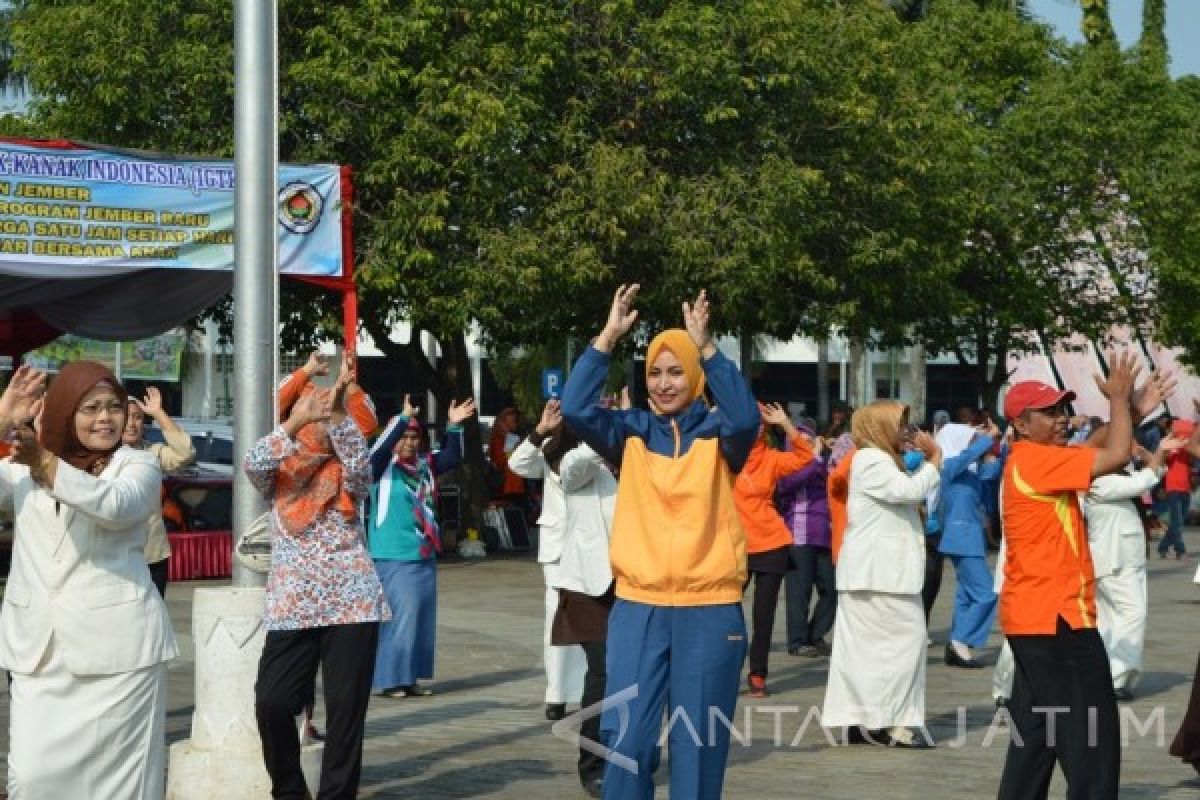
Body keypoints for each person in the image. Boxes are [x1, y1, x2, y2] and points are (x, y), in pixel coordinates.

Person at [561, 284, 759, 799]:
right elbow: (578, 409)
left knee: (699, 748)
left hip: (711, 611)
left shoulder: (721, 435)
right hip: (638, 608)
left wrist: (709, 348)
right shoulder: (629, 432)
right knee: (626, 742)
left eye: (677, 371)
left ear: (693, 376)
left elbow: (746, 417)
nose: (665, 383)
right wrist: (606, 337)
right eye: (655, 371)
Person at [0, 362, 178, 798]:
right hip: (39, 655)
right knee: (31, 780)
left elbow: (115, 506)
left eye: (113, 407)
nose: (104, 418)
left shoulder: (136, 466)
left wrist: (44, 463)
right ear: (62, 411)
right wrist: (2, 420)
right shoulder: (20, 468)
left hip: (121, 658)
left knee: (118, 788)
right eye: (90, 408)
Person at [996, 353, 1162, 800]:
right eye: (1047, 413)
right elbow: (1116, 453)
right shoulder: (1034, 460)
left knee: (1034, 737)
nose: (1060, 419)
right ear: (1020, 424)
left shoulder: (1035, 459)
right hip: (1057, 620)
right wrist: (1121, 400)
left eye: (1061, 410)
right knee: (1091, 739)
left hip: (1036, 619)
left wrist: (1134, 410)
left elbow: (1094, 448)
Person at [246, 357, 388, 800]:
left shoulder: (348, 470)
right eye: (310, 411)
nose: (316, 421)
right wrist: (294, 423)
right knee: (272, 703)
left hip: (352, 601)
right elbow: (253, 462)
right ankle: (289, 792)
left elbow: (362, 468)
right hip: (292, 605)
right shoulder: (280, 473)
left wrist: (340, 406)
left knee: (346, 714)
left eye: (320, 414)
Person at [822, 400, 941, 749]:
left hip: (875, 574)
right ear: (880, 427)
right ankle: (892, 724)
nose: (908, 432)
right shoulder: (872, 459)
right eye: (900, 425)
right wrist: (935, 459)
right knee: (904, 647)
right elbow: (908, 491)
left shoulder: (874, 459)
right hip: (882, 576)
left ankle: (864, 721)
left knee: (868, 653)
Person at [368, 392, 475, 698]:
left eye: (415, 437)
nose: (410, 443)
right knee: (399, 620)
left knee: (419, 620)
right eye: (405, 437)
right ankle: (389, 680)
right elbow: (379, 448)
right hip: (393, 556)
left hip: (422, 555)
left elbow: (452, 457)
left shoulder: (426, 466)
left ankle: (409, 677)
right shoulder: (380, 468)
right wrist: (400, 421)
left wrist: (453, 427)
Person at [544, 418, 619, 799]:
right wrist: (603, 434)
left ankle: (632, 754)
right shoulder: (576, 461)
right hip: (590, 586)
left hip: (638, 581)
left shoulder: (642, 459)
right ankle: (593, 763)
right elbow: (570, 471)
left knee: (637, 675)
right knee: (603, 673)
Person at [1085, 436, 1182, 702]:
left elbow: (1157, 471)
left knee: (1111, 618)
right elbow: (1144, 481)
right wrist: (1159, 450)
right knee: (1131, 614)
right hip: (1114, 560)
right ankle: (1120, 675)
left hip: (1122, 560)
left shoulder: (1116, 475)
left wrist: (1143, 453)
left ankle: (1108, 673)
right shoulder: (1099, 480)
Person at [508, 398, 587, 720]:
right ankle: (556, 693)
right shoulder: (546, 449)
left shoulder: (593, 448)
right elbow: (517, 465)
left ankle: (585, 688)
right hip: (557, 549)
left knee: (592, 621)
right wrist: (540, 431)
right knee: (557, 619)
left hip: (592, 547)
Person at [734, 401, 814, 696]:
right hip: (734, 546)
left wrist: (785, 424)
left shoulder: (770, 458)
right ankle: (726, 670)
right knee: (726, 615)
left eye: (758, 423)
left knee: (763, 616)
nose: (753, 428)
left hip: (771, 543)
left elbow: (807, 458)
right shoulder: (724, 456)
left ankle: (758, 674)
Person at [935, 420, 1003, 669]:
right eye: (970, 439)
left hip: (969, 537)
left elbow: (989, 476)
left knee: (966, 594)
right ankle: (960, 640)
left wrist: (995, 450)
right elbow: (969, 455)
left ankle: (958, 645)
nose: (974, 443)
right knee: (986, 593)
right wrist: (988, 438)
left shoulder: (968, 471)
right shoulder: (948, 466)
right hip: (961, 536)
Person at [123, 385, 196, 597]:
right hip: (113, 556)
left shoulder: (151, 452)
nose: (131, 423)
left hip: (151, 555)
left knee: (154, 621)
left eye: (137, 417)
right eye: (126, 417)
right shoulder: (98, 456)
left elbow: (184, 453)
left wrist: (158, 413)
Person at [779, 420, 837, 658]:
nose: (807, 446)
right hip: (798, 533)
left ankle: (816, 633)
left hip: (823, 532)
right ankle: (798, 641)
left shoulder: (820, 463)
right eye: (800, 442)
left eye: (810, 441)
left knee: (832, 588)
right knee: (799, 591)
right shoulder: (785, 466)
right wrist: (813, 457)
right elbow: (791, 483)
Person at [1158, 418, 1200, 560]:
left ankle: (1163, 547)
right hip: (1173, 488)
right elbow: (1161, 461)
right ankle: (1180, 551)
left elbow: (1193, 458)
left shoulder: (1187, 448)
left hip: (1185, 488)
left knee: (1178, 521)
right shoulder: (1169, 446)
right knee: (1177, 522)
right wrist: (1172, 446)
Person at [488, 405, 527, 503]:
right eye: (512, 422)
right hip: (508, 486)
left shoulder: (512, 437)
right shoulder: (501, 438)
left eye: (515, 421)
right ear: (502, 423)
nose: (515, 425)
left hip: (514, 485)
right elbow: (504, 460)